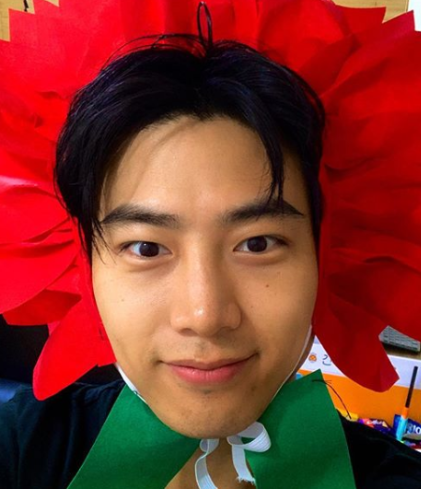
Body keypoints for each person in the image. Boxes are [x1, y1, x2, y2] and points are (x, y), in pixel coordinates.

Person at [1, 0, 421, 488]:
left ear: (326, 259)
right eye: (146, 248)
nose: (204, 316)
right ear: (85, 269)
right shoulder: (23, 447)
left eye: (258, 243)